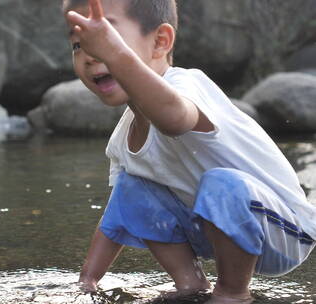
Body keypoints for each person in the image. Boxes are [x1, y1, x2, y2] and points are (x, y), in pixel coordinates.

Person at [62, 0, 316, 303]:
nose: (91, 55)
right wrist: (86, 281)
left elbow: (174, 119)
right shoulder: (122, 139)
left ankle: (232, 294)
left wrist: (114, 54)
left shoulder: (186, 85)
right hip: (215, 231)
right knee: (130, 185)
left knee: (223, 185)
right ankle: (191, 284)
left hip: (284, 232)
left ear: (160, 42)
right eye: (80, 44)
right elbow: (116, 216)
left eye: (106, 39)